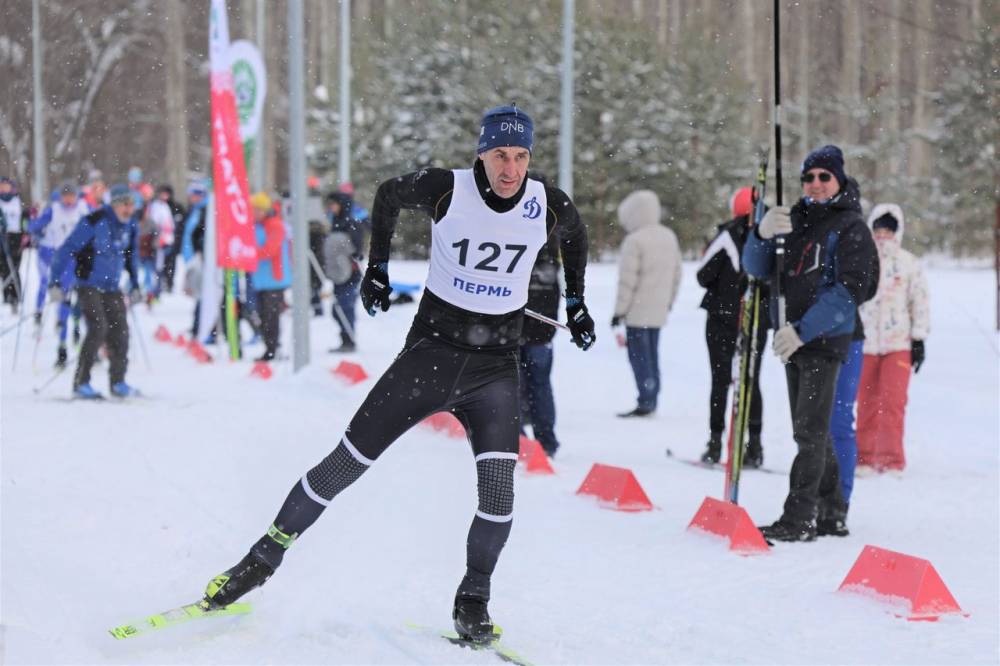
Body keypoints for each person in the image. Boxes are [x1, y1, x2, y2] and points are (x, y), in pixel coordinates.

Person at [201, 105, 594, 644]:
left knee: (499, 494)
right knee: (345, 464)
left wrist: (576, 303)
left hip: (494, 370)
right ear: (482, 154)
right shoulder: (447, 188)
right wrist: (377, 268)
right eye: (501, 155)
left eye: (521, 156)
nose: (511, 169)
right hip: (429, 358)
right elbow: (387, 195)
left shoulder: (545, 202)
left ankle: (472, 601)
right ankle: (259, 560)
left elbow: (576, 234)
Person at [742, 144, 878, 541]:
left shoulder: (851, 226)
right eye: (808, 177)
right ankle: (831, 512)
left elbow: (852, 289)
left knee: (809, 432)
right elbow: (756, 267)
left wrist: (803, 329)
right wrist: (761, 233)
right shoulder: (794, 220)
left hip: (824, 338)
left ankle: (800, 518)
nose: (815, 184)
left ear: (839, 180)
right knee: (813, 429)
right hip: (793, 340)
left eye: (824, 177)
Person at [696, 187, 770, 467]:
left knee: (721, 379)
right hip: (757, 318)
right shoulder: (770, 236)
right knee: (751, 381)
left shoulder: (727, 235)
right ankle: (755, 446)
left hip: (722, 317)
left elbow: (703, 276)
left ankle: (715, 444)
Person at [856, 204, 930, 475]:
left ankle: (891, 459)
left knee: (893, 403)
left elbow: (919, 302)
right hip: (865, 344)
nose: (883, 234)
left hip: (898, 344)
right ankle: (864, 458)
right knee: (865, 403)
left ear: (897, 231)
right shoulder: (861, 260)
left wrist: (918, 339)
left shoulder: (909, 263)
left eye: (889, 229)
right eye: (879, 229)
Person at [48, 184, 141, 399]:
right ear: (114, 204)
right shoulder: (94, 221)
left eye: (132, 205)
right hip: (88, 284)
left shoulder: (130, 225)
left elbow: (131, 256)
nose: (129, 209)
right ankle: (81, 383)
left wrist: (135, 284)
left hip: (112, 286)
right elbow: (66, 249)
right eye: (125, 205)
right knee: (98, 328)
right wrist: (54, 282)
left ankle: (118, 382)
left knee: (121, 332)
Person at [610, 189, 682, 417]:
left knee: (639, 358)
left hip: (637, 312)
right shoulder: (668, 236)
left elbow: (627, 282)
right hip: (658, 311)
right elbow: (677, 274)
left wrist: (619, 311)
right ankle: (651, 396)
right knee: (652, 355)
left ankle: (646, 400)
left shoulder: (634, 241)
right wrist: (668, 302)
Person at [29, 182, 90, 365]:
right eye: (65, 196)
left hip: (83, 260)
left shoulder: (84, 208)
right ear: (61, 197)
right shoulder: (53, 210)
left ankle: (81, 331)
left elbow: (100, 224)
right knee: (64, 299)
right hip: (63, 260)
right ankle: (62, 346)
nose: (69, 200)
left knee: (86, 299)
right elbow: (34, 226)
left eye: (72, 196)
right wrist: (37, 231)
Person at [518, 231, 563, 457]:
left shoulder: (515, 246)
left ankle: (518, 441)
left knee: (512, 385)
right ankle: (546, 442)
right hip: (541, 330)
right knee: (540, 385)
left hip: (515, 330)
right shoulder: (552, 254)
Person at [249, 192, 291, 362]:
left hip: (274, 278)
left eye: (258, 209)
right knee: (262, 315)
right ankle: (270, 347)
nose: (254, 213)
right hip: (260, 279)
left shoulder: (275, 225)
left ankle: (272, 349)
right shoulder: (255, 225)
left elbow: (270, 250)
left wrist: (249, 253)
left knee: (270, 317)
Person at [323, 191, 364, 352]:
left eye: (333, 204)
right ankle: (345, 338)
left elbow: (357, 251)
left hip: (350, 274)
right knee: (338, 309)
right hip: (337, 274)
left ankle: (349, 340)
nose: (331, 207)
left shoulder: (351, 224)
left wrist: (347, 253)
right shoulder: (335, 223)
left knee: (344, 307)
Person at [0, 177, 25, 312]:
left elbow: (24, 220)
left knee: (14, 266)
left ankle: (16, 296)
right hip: (2, 236)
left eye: (6, 185)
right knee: (4, 267)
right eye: (1, 186)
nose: (4, 188)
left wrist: (26, 232)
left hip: (15, 236)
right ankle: (7, 296)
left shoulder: (17, 200)